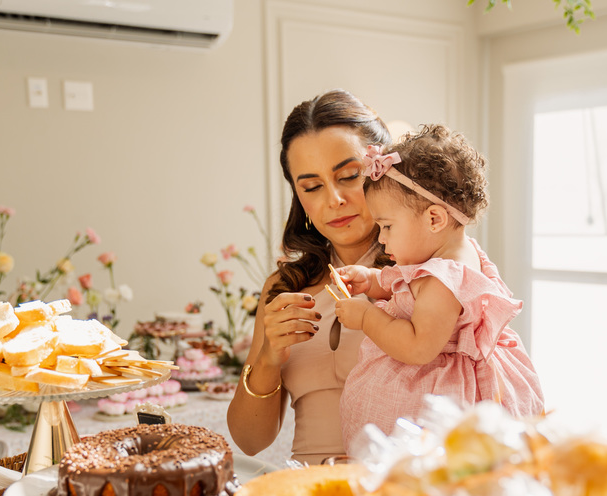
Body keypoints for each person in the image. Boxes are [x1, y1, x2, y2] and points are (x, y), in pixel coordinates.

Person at [332, 124, 544, 451]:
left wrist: (366, 318)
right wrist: (371, 280)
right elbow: (409, 292)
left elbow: (419, 347)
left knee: (419, 461)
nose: (382, 237)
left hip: (442, 392)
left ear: (434, 219)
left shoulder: (441, 280)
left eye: (387, 226)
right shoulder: (452, 255)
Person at [227, 89, 392, 465]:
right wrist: (269, 358)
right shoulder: (285, 287)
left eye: (349, 176)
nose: (333, 199)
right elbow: (250, 441)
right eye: (312, 186)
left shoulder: (425, 275)